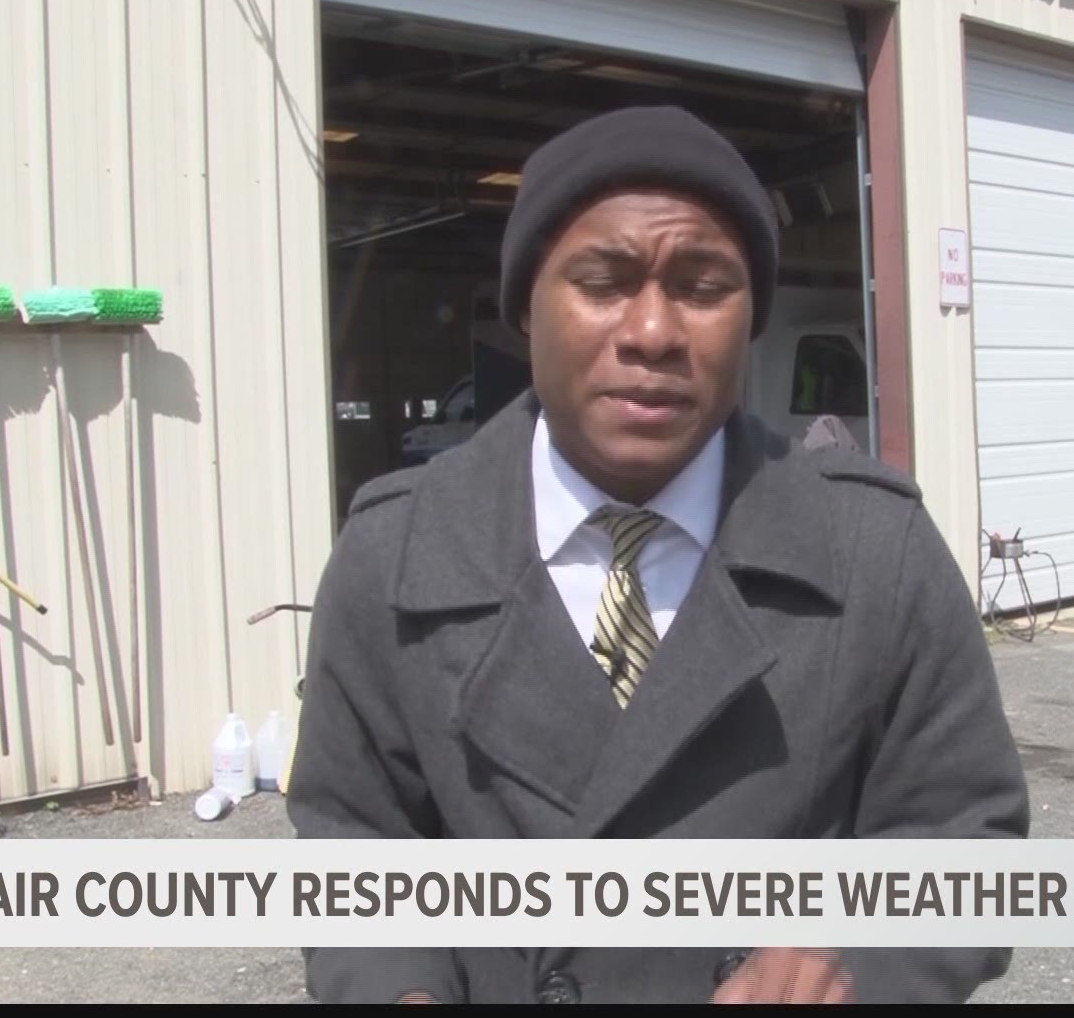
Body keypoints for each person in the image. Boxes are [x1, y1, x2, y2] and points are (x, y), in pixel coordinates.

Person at [287, 105, 1031, 1004]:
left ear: (751, 316)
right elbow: (354, 849)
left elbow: (968, 836)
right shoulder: (393, 556)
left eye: (702, 286)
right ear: (524, 307)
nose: (652, 333)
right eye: (602, 282)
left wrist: (855, 952)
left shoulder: (877, 552)